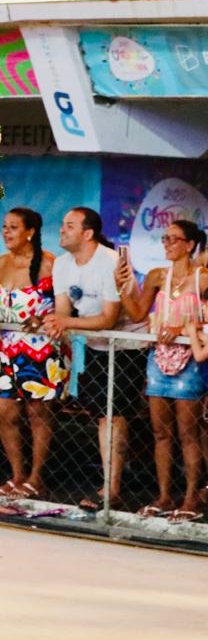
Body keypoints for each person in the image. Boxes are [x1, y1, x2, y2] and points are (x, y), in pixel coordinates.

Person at [43, 208, 140, 510]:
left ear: (88, 233)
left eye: (69, 226)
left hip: (126, 345)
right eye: (62, 224)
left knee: (113, 414)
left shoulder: (110, 261)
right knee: (102, 413)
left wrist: (64, 324)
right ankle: (111, 481)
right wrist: (54, 322)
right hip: (94, 346)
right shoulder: (60, 264)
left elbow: (109, 318)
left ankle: (112, 488)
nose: (62, 230)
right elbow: (62, 311)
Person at [118, 219, 207, 523]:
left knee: (189, 432)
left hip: (192, 361)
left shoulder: (203, 278)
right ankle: (165, 495)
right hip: (159, 359)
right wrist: (123, 289)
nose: (167, 243)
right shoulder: (158, 276)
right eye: (164, 238)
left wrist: (183, 327)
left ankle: (192, 496)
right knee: (160, 432)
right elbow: (138, 313)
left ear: (190, 244)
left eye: (173, 239)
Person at [0, 208, 64, 499]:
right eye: (4, 227)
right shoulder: (2, 262)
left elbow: (65, 308)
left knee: (38, 413)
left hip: (40, 351)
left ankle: (36, 478)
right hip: (5, 349)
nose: (6, 232)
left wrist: (44, 319)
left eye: (13, 227)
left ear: (30, 232)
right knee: (2, 410)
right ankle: (16, 475)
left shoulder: (50, 264)